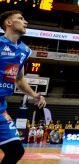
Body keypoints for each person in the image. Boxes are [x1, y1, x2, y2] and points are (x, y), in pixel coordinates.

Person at [0, 10, 47, 163]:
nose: (25, 21)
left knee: (16, 151)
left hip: (1, 106)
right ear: (9, 23)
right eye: (20, 18)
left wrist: (34, 95)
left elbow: (19, 80)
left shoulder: (24, 50)